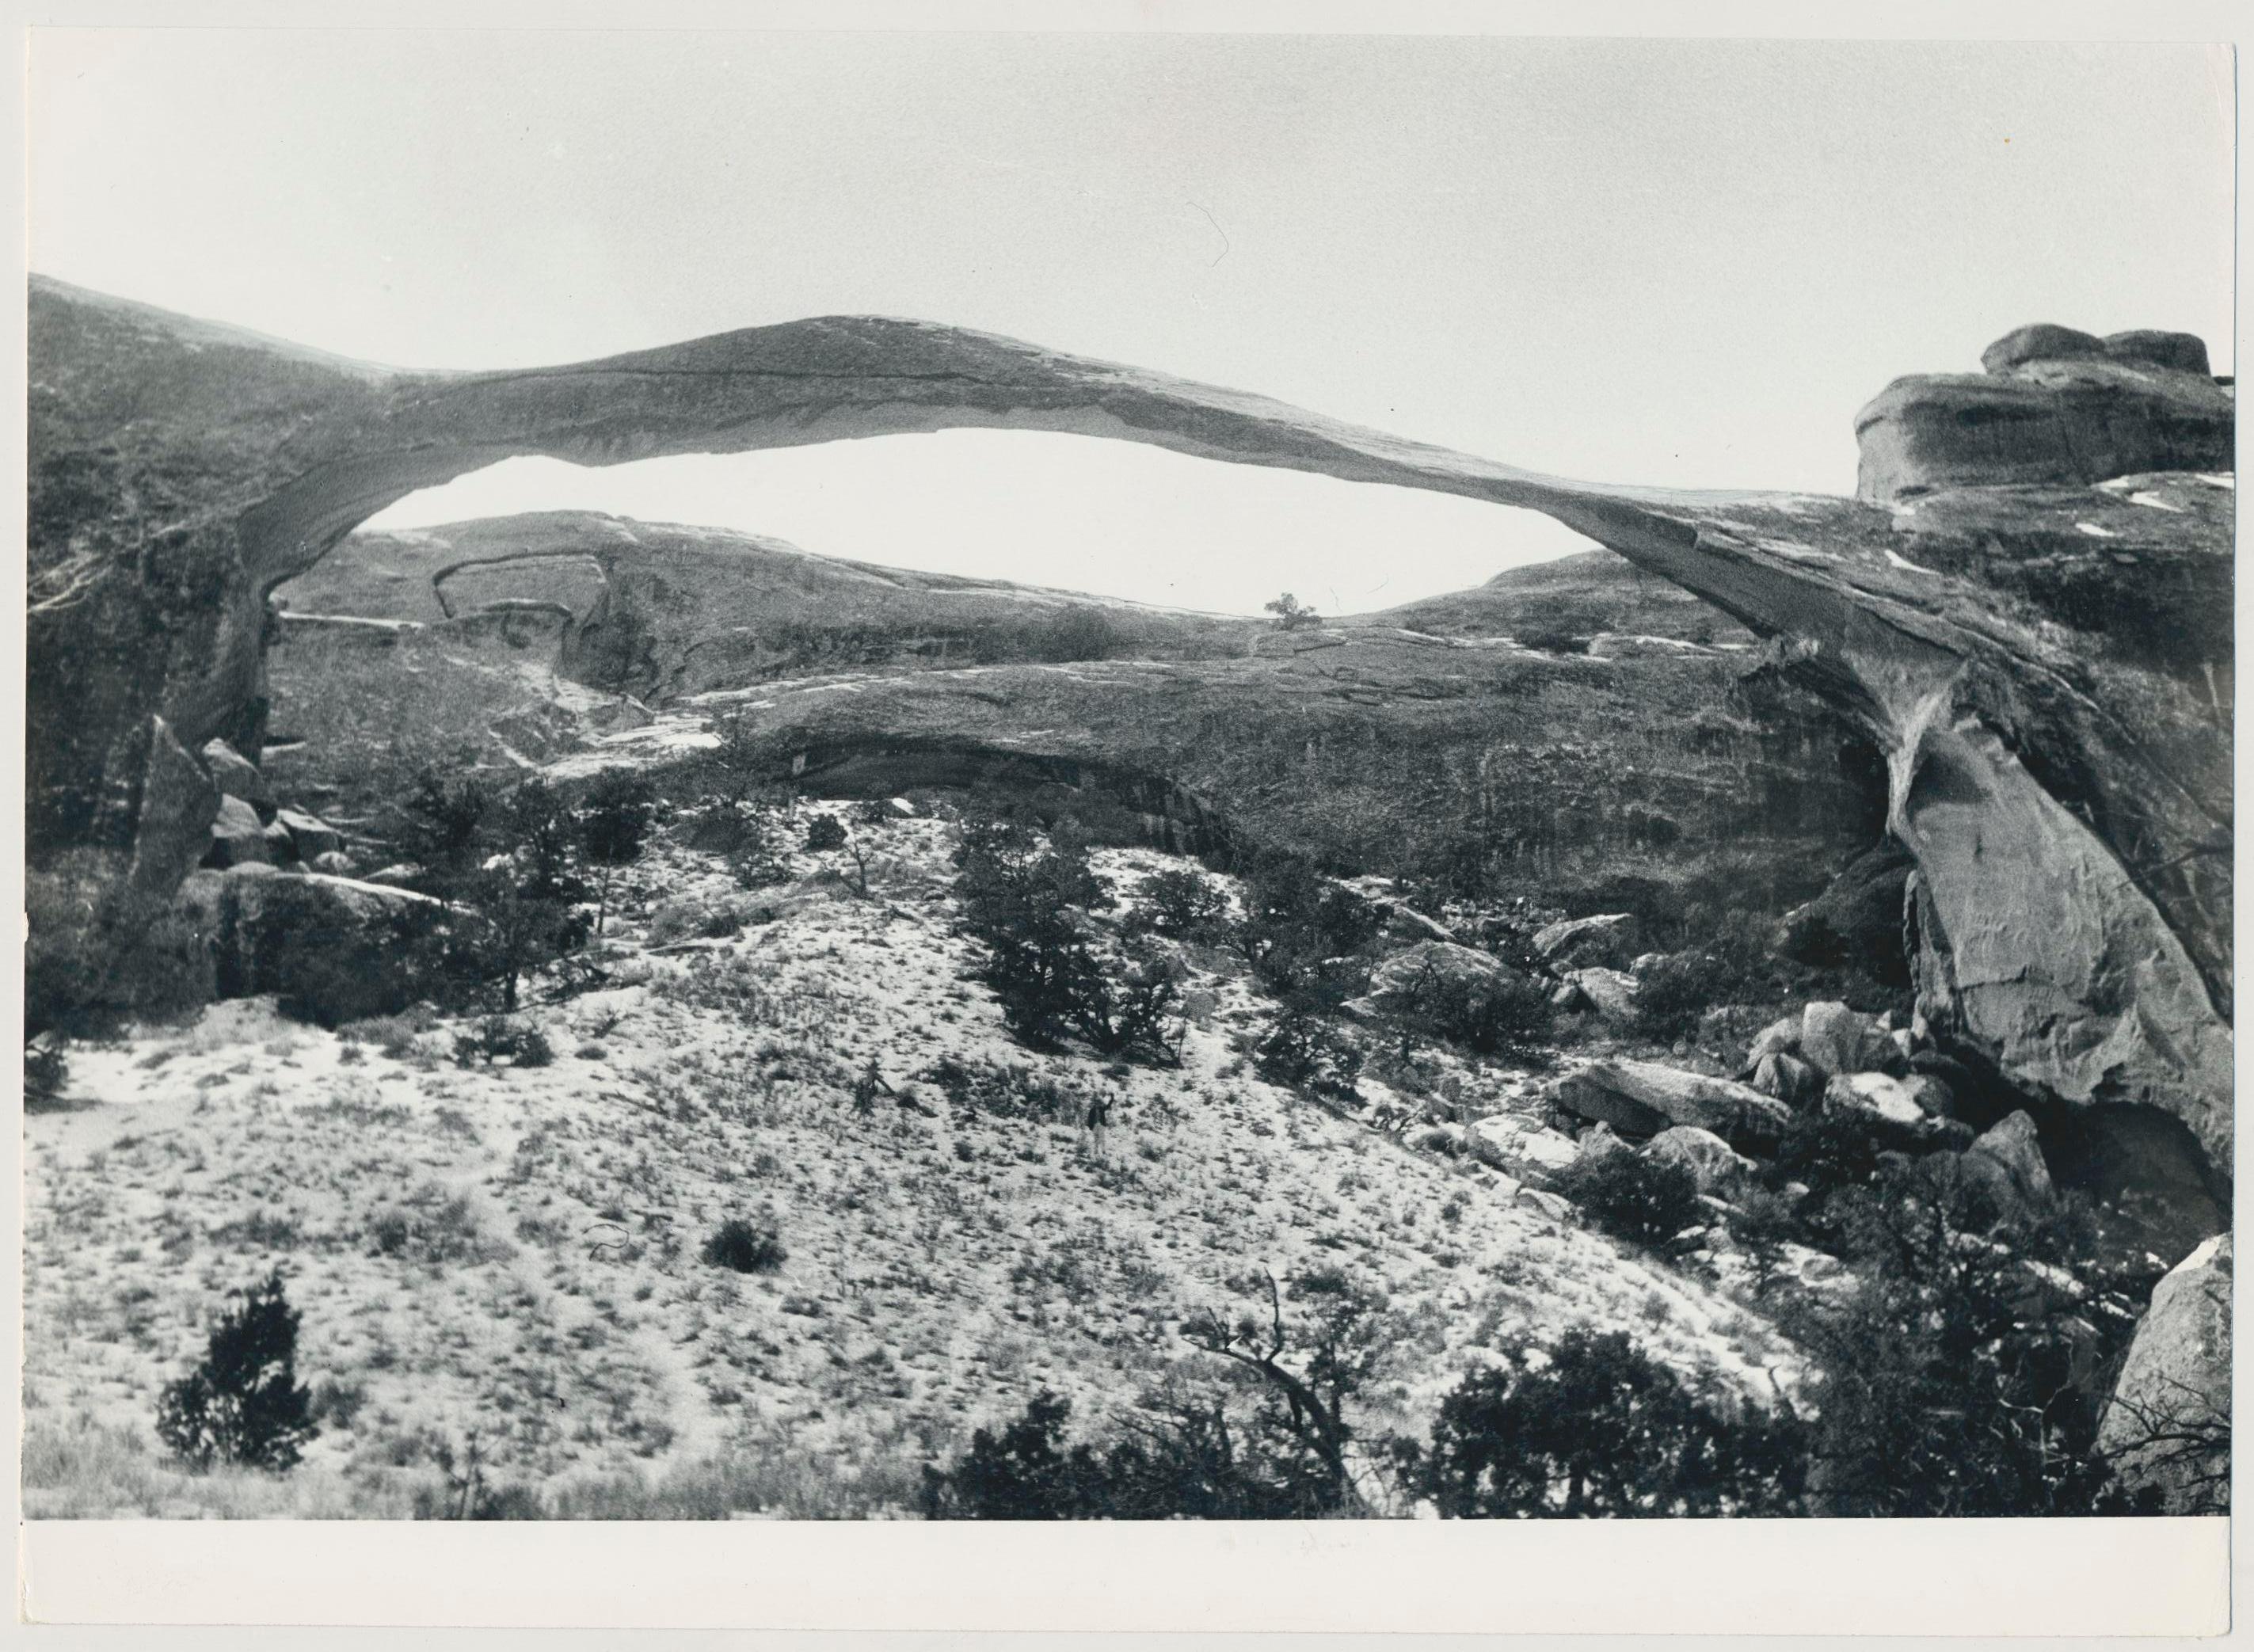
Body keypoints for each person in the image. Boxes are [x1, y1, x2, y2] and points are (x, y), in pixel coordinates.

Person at [1082, 1090, 1113, 1162]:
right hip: (1095, 1126)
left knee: (1101, 1137)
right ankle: (1096, 1152)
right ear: (1095, 1103)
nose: (1097, 1104)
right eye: (1096, 1103)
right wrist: (1090, 1127)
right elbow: (1089, 1119)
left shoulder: (1102, 1109)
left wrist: (1112, 1098)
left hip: (1101, 1125)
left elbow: (1108, 1105)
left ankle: (1103, 1151)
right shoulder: (1092, 1110)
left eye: (1098, 1103)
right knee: (1096, 1139)